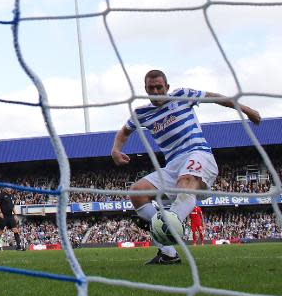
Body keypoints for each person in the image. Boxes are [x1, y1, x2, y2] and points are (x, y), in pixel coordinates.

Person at [111, 69, 260, 265]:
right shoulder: (142, 113)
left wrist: (246, 110)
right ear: (145, 89)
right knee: (137, 192)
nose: (155, 91)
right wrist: (115, 150)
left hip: (197, 153)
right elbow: (125, 131)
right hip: (172, 164)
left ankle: (171, 222)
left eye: (159, 87)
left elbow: (214, 98)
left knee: (184, 182)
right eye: (151, 88)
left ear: (167, 87)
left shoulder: (182, 95)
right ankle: (168, 253)